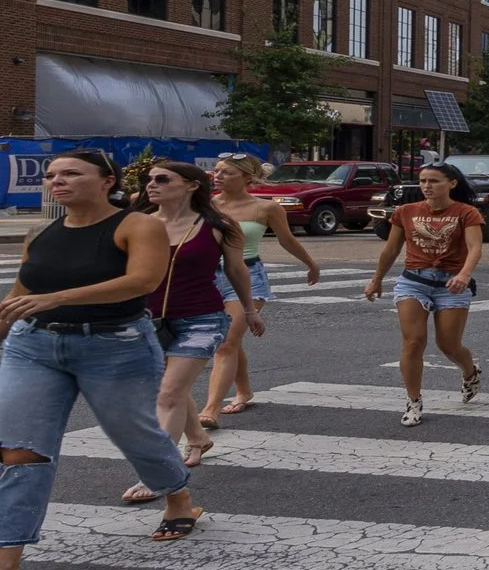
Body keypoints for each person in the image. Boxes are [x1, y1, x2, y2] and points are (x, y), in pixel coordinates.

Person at [0, 151, 210, 556]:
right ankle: (9, 553)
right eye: (51, 175)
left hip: (115, 345)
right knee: (19, 450)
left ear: (106, 181)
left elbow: (142, 281)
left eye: (71, 173)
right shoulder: (41, 233)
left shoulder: (138, 225)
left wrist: (57, 297)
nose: (57, 181)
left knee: (134, 435)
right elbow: (19, 296)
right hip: (33, 346)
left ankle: (177, 495)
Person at [133, 162, 260, 479]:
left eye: (163, 179)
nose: (152, 184)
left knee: (169, 393)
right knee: (171, 387)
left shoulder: (219, 226)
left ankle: (160, 474)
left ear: (192, 186)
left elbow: (236, 270)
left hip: (201, 318)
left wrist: (249, 310)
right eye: (149, 179)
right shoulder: (137, 224)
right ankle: (199, 439)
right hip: (149, 319)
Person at [201, 154, 319, 429]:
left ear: (247, 177)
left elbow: (286, 239)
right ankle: (243, 391)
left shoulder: (266, 208)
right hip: (207, 277)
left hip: (248, 276)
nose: (218, 176)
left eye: (226, 172)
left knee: (226, 342)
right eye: (216, 171)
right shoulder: (206, 205)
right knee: (231, 341)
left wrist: (311, 264)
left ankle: (210, 409)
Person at [364, 162, 485, 426]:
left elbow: (475, 248)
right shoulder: (405, 212)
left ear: (452, 183)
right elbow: (391, 250)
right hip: (413, 282)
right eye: (423, 181)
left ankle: (470, 371)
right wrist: (376, 279)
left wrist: (464, 275)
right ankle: (413, 401)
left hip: (451, 284)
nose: (427, 186)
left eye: (434, 181)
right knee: (414, 341)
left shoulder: (466, 212)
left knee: (448, 344)